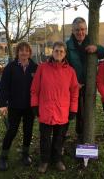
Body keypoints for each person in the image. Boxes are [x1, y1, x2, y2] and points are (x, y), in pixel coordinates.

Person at [31, 41, 79, 173]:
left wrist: (73, 109)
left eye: (61, 51)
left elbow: (75, 92)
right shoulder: (42, 68)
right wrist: (34, 105)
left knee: (59, 138)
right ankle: (44, 160)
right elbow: (34, 89)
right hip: (46, 110)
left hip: (63, 110)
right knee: (45, 138)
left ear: (65, 54)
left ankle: (57, 159)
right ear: (52, 52)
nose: (59, 53)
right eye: (56, 51)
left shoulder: (70, 71)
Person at [0, 42, 37, 171]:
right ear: (17, 52)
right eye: (21, 50)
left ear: (30, 53)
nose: (24, 53)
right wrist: (3, 104)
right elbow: (3, 87)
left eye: (27, 50)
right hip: (14, 106)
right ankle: (3, 157)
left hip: (29, 107)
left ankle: (25, 154)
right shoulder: (10, 67)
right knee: (12, 131)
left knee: (28, 131)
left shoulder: (35, 67)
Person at [66, 17, 104, 139]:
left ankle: (81, 135)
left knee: (84, 112)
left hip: (88, 85)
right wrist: (73, 83)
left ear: (86, 30)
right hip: (73, 85)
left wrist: (97, 49)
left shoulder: (91, 41)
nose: (80, 32)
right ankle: (63, 135)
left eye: (83, 29)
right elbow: (64, 66)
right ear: (72, 31)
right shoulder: (68, 46)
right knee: (68, 110)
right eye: (77, 30)